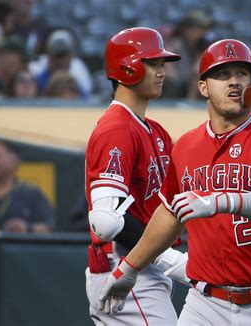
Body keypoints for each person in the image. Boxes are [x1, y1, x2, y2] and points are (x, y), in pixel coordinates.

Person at [97, 39, 251, 325]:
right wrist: (130, 267)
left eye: (242, 74)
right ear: (203, 87)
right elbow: (170, 212)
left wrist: (220, 201)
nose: (234, 82)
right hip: (205, 305)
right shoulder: (186, 145)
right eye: (222, 74)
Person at [84, 27, 189, 325]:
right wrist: (170, 258)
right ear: (127, 67)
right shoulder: (117, 128)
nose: (162, 72)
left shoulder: (154, 131)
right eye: (152, 63)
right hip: (125, 266)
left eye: (162, 65)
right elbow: (107, 220)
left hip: (145, 266)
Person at [0, 138, 54, 233]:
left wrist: (27, 228)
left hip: (17, 247)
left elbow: (48, 228)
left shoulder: (32, 194)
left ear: (14, 160)